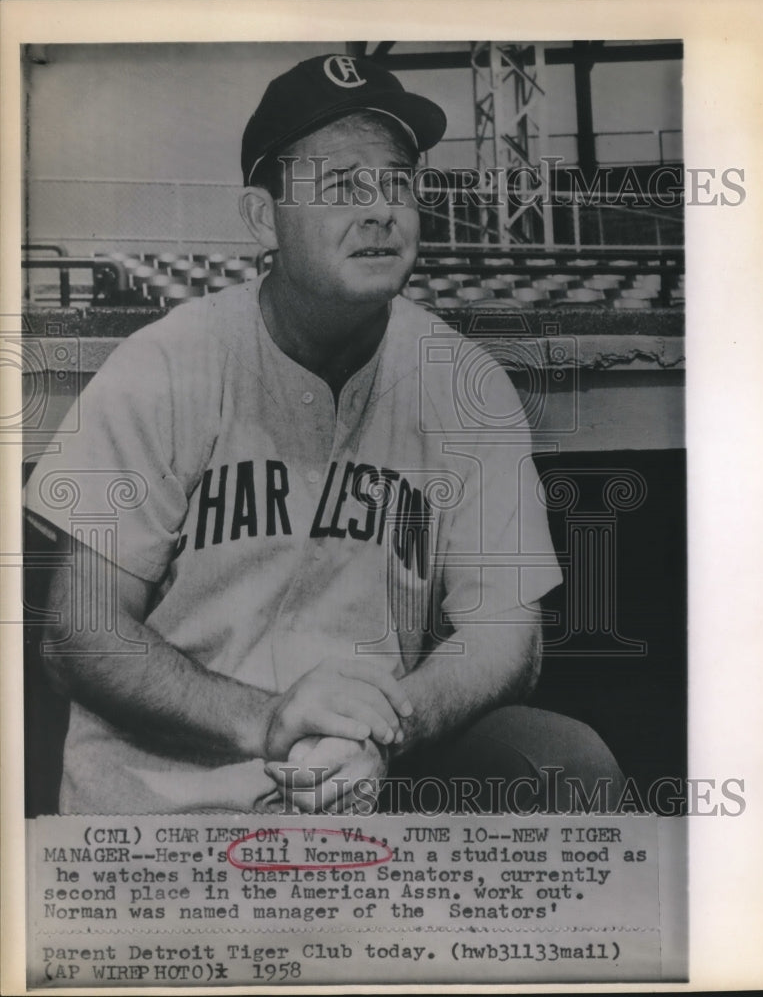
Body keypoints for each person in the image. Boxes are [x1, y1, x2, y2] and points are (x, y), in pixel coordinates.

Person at [24, 53, 623, 815]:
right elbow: (78, 630)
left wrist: (388, 729)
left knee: (566, 760)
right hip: (171, 799)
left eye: (397, 182)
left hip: (364, 780)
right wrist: (267, 720)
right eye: (342, 185)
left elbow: (507, 631)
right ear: (260, 217)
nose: (379, 209)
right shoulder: (163, 367)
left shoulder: (463, 383)